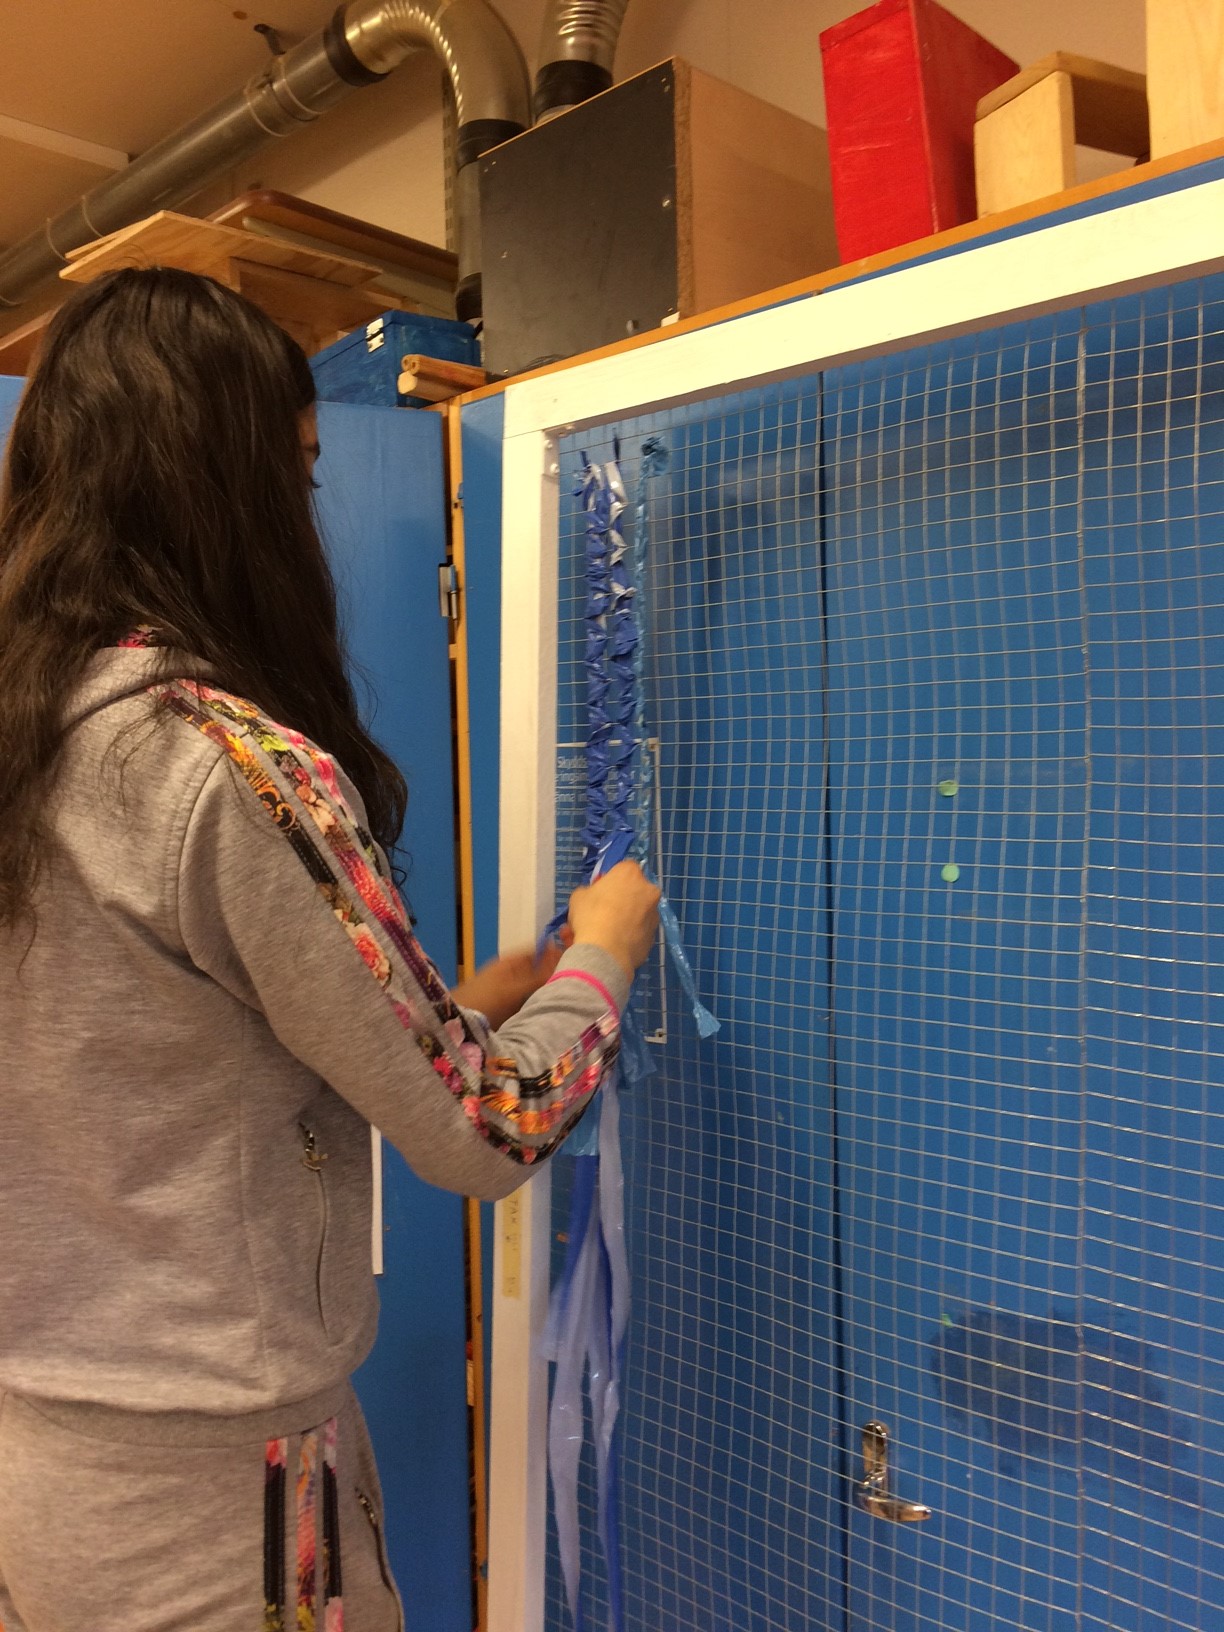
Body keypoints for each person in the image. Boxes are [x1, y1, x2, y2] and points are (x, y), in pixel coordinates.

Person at [0, 267, 660, 1632]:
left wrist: (447, 1007)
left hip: (37, 1477)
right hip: (218, 1514)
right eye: (297, 477)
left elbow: (146, 1063)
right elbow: (486, 1126)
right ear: (228, 491)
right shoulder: (227, 764)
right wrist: (602, 959)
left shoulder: (28, 740)